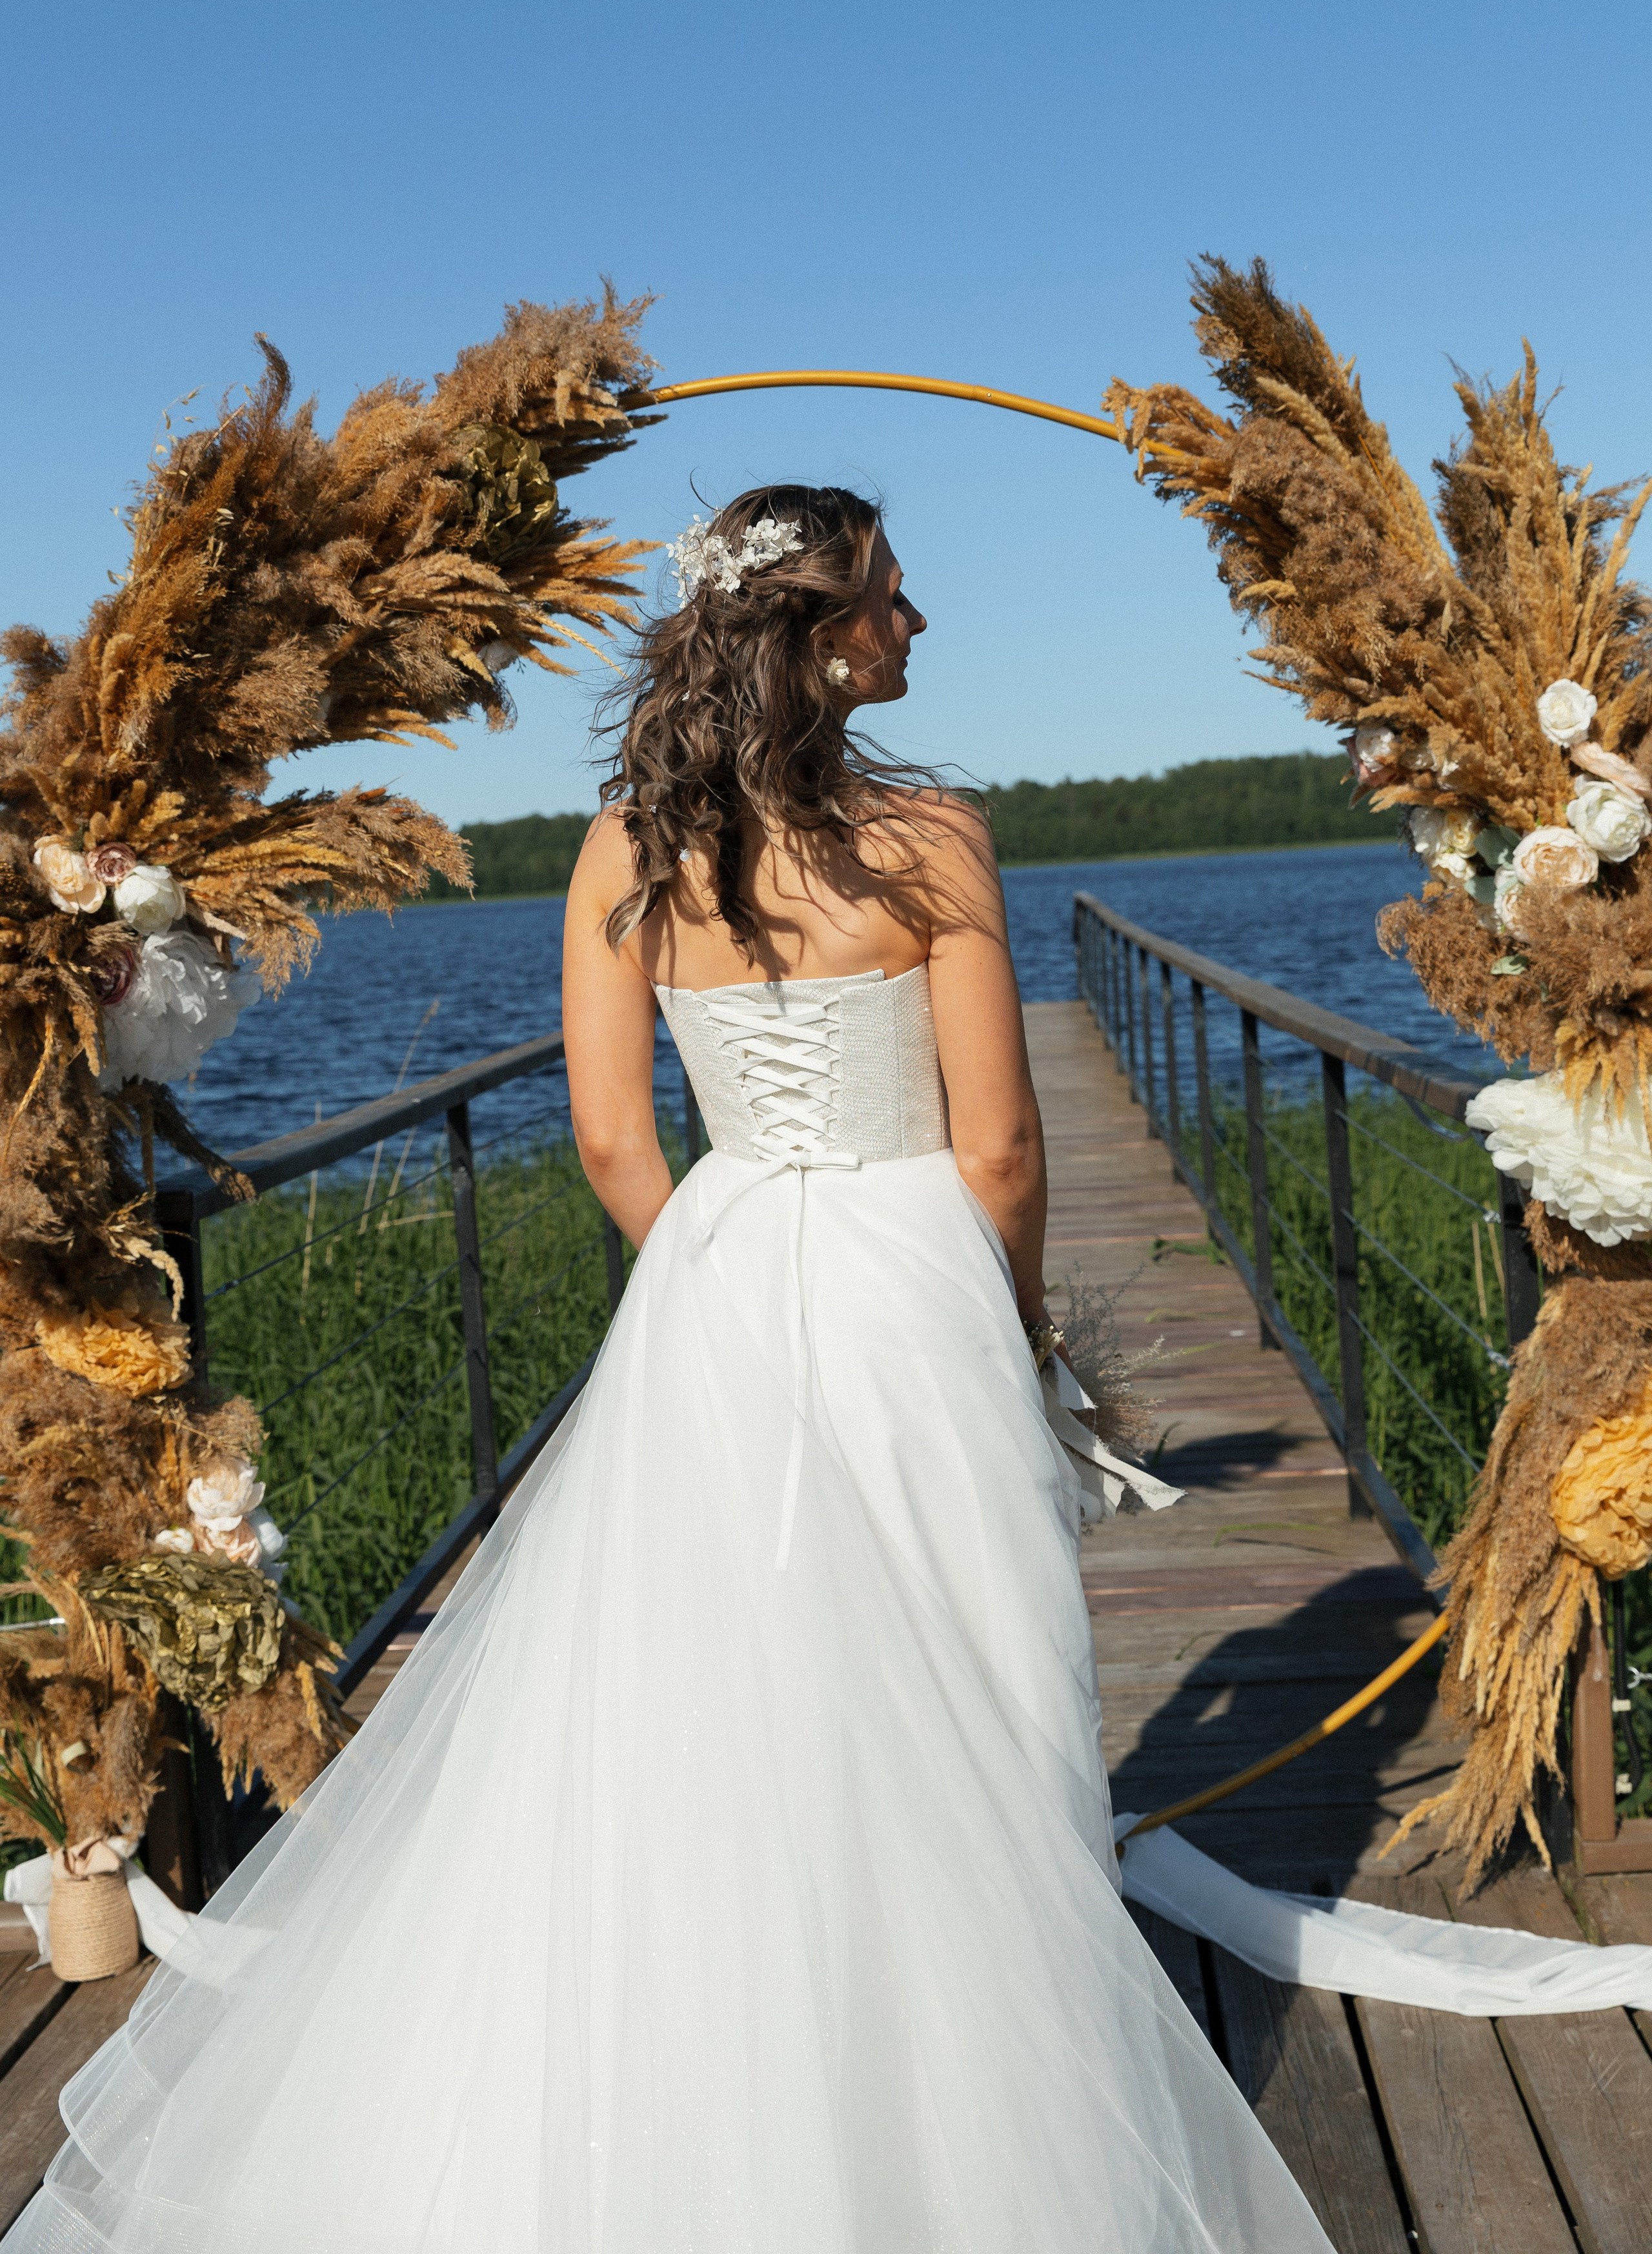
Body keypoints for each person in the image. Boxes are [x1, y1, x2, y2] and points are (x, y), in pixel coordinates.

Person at [3, 487, 1335, 2254]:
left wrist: (721, 1292)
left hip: (714, 1276)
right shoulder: (933, 839)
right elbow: (1003, 1152)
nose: (917, 629)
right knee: (972, 1651)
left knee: (726, 1679)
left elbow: (621, 1145)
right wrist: (1013, 1344)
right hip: (909, 1271)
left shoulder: (624, 847)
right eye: (894, 599)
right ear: (822, 633)